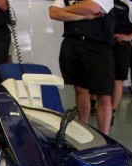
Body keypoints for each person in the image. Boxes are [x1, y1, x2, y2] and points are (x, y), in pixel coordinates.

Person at [49, 0, 115, 134]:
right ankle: (83, 129)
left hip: (98, 46)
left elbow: (92, 7)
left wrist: (67, 10)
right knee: (80, 89)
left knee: (104, 95)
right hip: (72, 44)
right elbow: (54, 13)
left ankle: (105, 137)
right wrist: (83, 16)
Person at [109, 0, 132, 124]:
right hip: (102, 47)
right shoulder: (102, 2)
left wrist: (128, 37)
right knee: (99, 77)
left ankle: (111, 112)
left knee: (117, 80)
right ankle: (93, 106)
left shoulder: (128, 6)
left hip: (120, 48)